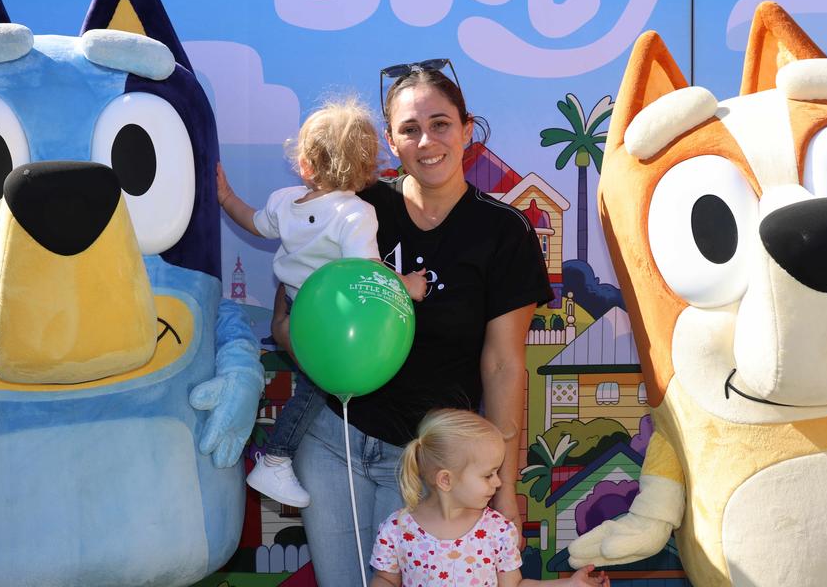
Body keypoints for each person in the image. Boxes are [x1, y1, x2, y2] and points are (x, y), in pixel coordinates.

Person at [273, 62, 554, 584]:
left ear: (467, 129)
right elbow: (292, 310)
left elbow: (503, 366)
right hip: (332, 440)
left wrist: (507, 492)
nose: (427, 140)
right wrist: (303, 343)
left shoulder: (503, 232)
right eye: (410, 129)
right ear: (390, 141)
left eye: (441, 123)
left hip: (428, 466)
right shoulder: (355, 208)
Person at [217, 98, 426, 508]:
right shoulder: (355, 214)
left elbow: (254, 222)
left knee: (314, 387)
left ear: (305, 164)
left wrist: (226, 197)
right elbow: (367, 273)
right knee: (320, 388)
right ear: (366, 169)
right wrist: (409, 285)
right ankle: (276, 458)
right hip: (328, 321)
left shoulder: (284, 201)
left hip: (297, 311)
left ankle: (277, 458)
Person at [370, 409, 609, 586]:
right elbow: (385, 579)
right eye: (488, 475)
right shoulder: (397, 530)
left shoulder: (498, 530)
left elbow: (515, 585)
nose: (498, 482)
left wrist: (568, 584)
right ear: (446, 480)